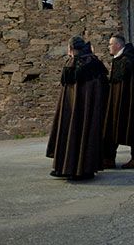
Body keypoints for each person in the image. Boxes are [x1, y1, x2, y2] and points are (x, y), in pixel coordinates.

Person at [46, 36, 108, 181]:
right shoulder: (95, 61)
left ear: (71, 49)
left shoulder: (74, 62)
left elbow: (68, 83)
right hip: (89, 108)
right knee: (86, 130)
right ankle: (83, 168)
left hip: (74, 106)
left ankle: (72, 168)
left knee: (72, 130)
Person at [102, 34, 134, 169]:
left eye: (110, 44)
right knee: (112, 127)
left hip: (128, 102)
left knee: (131, 126)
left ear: (118, 45)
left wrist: (130, 102)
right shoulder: (119, 59)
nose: (109, 47)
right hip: (117, 101)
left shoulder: (129, 61)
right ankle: (109, 158)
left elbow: (133, 85)